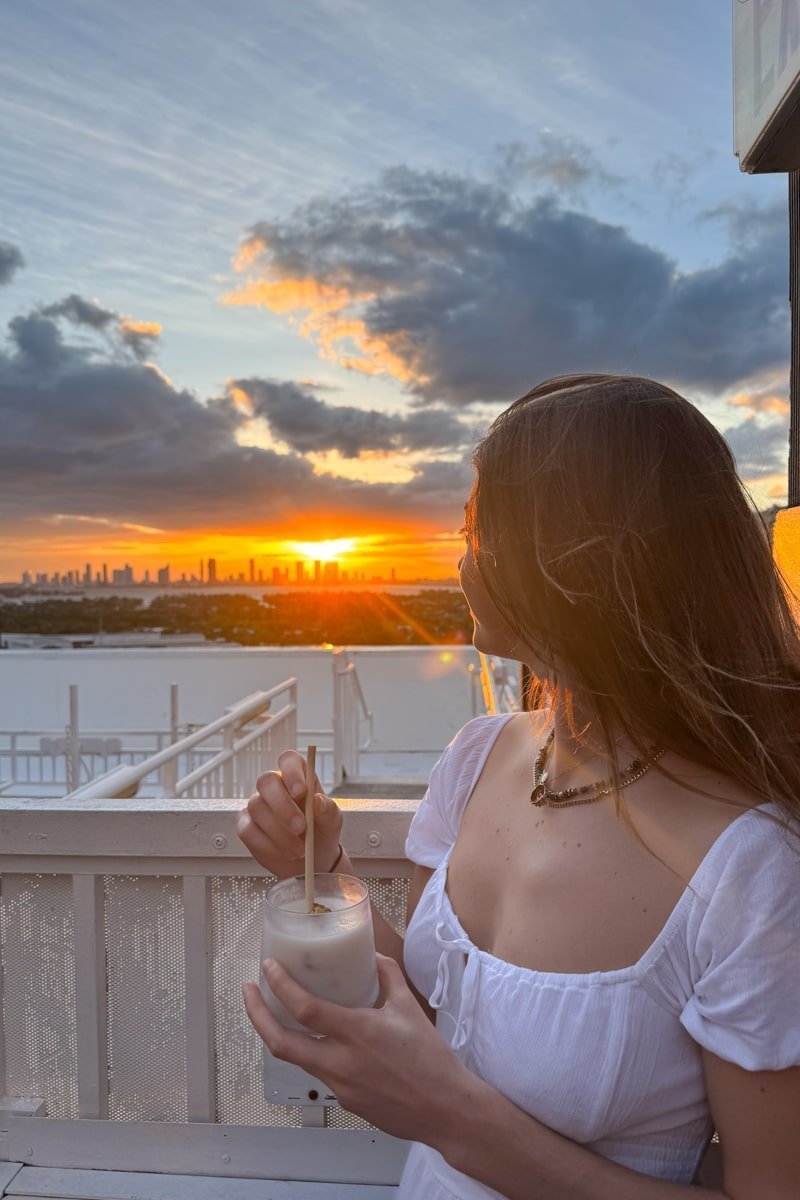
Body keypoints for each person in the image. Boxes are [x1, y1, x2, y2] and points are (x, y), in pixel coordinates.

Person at [237, 374, 800, 1199]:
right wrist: (320, 876)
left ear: (580, 566)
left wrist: (453, 1120)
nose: (461, 561)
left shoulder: (750, 866)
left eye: (480, 534)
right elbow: (441, 1017)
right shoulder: (478, 758)